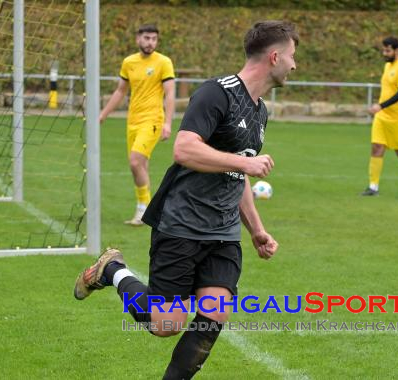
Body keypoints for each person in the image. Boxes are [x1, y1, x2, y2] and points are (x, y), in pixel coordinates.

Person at [74, 21, 298, 379]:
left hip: (223, 234)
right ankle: (112, 270)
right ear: (274, 56)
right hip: (182, 224)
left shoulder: (260, 112)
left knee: (214, 315)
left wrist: (256, 229)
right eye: (291, 56)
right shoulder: (216, 93)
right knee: (165, 324)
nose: (294, 65)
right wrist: (246, 162)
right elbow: (184, 148)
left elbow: (235, 175)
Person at [99, 24, 176, 225]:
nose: (150, 42)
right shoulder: (129, 62)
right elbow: (120, 91)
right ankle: (147, 210)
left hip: (152, 120)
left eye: (154, 39)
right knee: (140, 165)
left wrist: (167, 123)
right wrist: (103, 114)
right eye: (146, 38)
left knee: (135, 162)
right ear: (138, 39)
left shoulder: (163, 62)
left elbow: (170, 93)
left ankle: (144, 209)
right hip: (132, 121)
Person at [361, 36, 398, 196]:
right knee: (377, 147)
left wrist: (380, 105)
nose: (384, 53)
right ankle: (373, 187)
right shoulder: (388, 66)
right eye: (383, 50)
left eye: (387, 50)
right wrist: (381, 108)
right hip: (383, 117)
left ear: (397, 51)